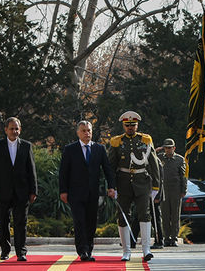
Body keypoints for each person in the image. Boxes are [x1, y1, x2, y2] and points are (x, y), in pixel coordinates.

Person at [59, 121, 115, 261]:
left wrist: (111, 187)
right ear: (78, 133)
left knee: (91, 222)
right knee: (79, 221)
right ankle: (82, 250)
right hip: (75, 193)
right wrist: (63, 191)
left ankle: (89, 249)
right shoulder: (70, 149)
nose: (87, 133)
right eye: (83, 131)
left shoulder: (99, 149)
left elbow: (107, 169)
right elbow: (63, 172)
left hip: (93, 193)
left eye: (89, 130)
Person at [108, 111, 160, 261]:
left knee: (144, 214)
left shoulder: (145, 140)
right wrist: (112, 187)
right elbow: (111, 166)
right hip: (123, 183)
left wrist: (156, 187)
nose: (130, 128)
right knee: (123, 216)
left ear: (137, 125)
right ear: (123, 126)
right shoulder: (117, 142)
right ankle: (126, 251)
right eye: (127, 125)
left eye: (133, 125)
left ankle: (146, 250)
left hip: (142, 182)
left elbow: (153, 164)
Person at [0, 117, 38, 261]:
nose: (14, 131)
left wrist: (33, 191)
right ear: (6, 130)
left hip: (22, 192)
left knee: (21, 222)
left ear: (20, 129)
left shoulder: (26, 146)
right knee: (3, 222)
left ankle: (21, 252)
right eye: (11, 128)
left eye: (17, 129)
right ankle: (5, 250)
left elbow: (31, 169)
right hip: (3, 191)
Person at [156, 138, 186, 246]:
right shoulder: (159, 158)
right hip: (164, 190)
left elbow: (183, 176)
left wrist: (183, 190)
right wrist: (156, 151)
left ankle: (174, 238)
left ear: (174, 148)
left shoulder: (179, 159)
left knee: (175, 215)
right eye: (166, 148)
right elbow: (149, 158)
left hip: (175, 190)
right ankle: (166, 237)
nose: (168, 150)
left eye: (170, 148)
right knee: (165, 214)